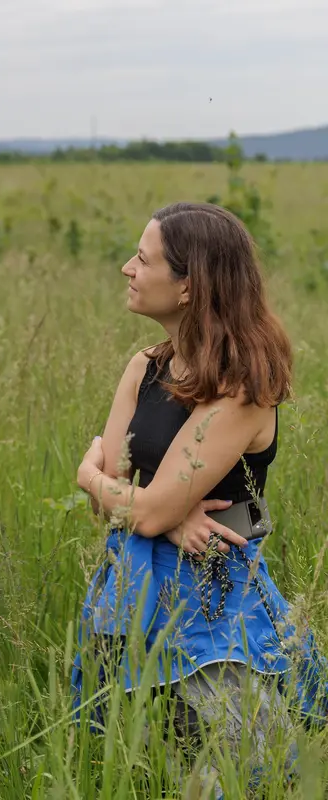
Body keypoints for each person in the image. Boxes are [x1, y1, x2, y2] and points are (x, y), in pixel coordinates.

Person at [71, 202, 328, 795]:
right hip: (132, 595)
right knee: (149, 769)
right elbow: (120, 507)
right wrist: (158, 514)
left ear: (189, 286)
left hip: (213, 606)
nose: (127, 268)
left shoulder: (243, 385)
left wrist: (93, 479)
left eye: (144, 257)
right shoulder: (144, 367)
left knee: (243, 775)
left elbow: (116, 489)